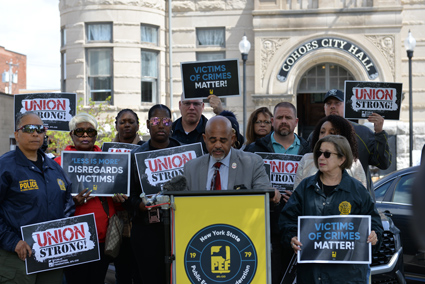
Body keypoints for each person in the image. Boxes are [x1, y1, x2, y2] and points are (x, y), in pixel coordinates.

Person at [279, 135, 383, 284]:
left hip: (348, 277)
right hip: (312, 275)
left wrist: (374, 236)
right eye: (319, 153)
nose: (321, 157)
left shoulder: (357, 190)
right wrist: (292, 237)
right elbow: (287, 220)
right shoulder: (305, 187)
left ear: (342, 159)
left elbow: (374, 222)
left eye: (327, 154)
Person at [0, 112, 74, 284]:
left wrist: (63, 234)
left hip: (51, 258)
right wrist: (13, 242)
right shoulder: (5, 166)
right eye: (29, 129)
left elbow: (67, 204)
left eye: (40, 129)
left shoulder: (55, 167)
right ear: (17, 134)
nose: (35, 133)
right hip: (16, 258)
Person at [245, 102, 310, 284]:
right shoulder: (254, 150)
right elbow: (243, 185)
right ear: (272, 121)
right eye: (279, 117)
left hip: (298, 228)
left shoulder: (310, 151)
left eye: (288, 118)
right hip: (264, 226)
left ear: (296, 121)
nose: (283, 121)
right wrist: (266, 192)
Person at [116, 104, 180, 284]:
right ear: (147, 124)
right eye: (156, 121)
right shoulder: (136, 156)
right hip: (146, 230)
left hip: (178, 228)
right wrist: (139, 205)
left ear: (172, 125)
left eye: (166, 121)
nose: (161, 125)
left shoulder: (185, 152)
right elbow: (128, 196)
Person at [54, 113, 119, 284]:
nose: (85, 135)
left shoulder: (110, 161)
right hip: (72, 239)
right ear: (71, 135)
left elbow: (117, 203)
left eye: (90, 132)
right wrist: (71, 202)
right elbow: (50, 202)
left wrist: (121, 197)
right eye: (79, 131)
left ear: (96, 135)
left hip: (103, 239)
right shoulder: (58, 164)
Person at [321, 89, 392, 199]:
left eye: (337, 103)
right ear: (324, 108)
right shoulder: (316, 135)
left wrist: (379, 133)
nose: (332, 106)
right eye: (329, 103)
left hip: (360, 202)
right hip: (326, 202)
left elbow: (383, 163)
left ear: (346, 106)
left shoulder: (363, 133)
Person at [294, 115, 367, 190]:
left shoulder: (354, 163)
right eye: (322, 132)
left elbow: (361, 196)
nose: (325, 136)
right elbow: (297, 193)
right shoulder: (306, 159)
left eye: (332, 133)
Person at [112, 109, 142, 284]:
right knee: (121, 273)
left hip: (139, 221)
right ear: (116, 125)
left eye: (131, 121)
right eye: (122, 122)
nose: (127, 125)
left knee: (140, 273)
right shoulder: (104, 151)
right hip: (117, 224)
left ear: (138, 125)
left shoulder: (146, 148)